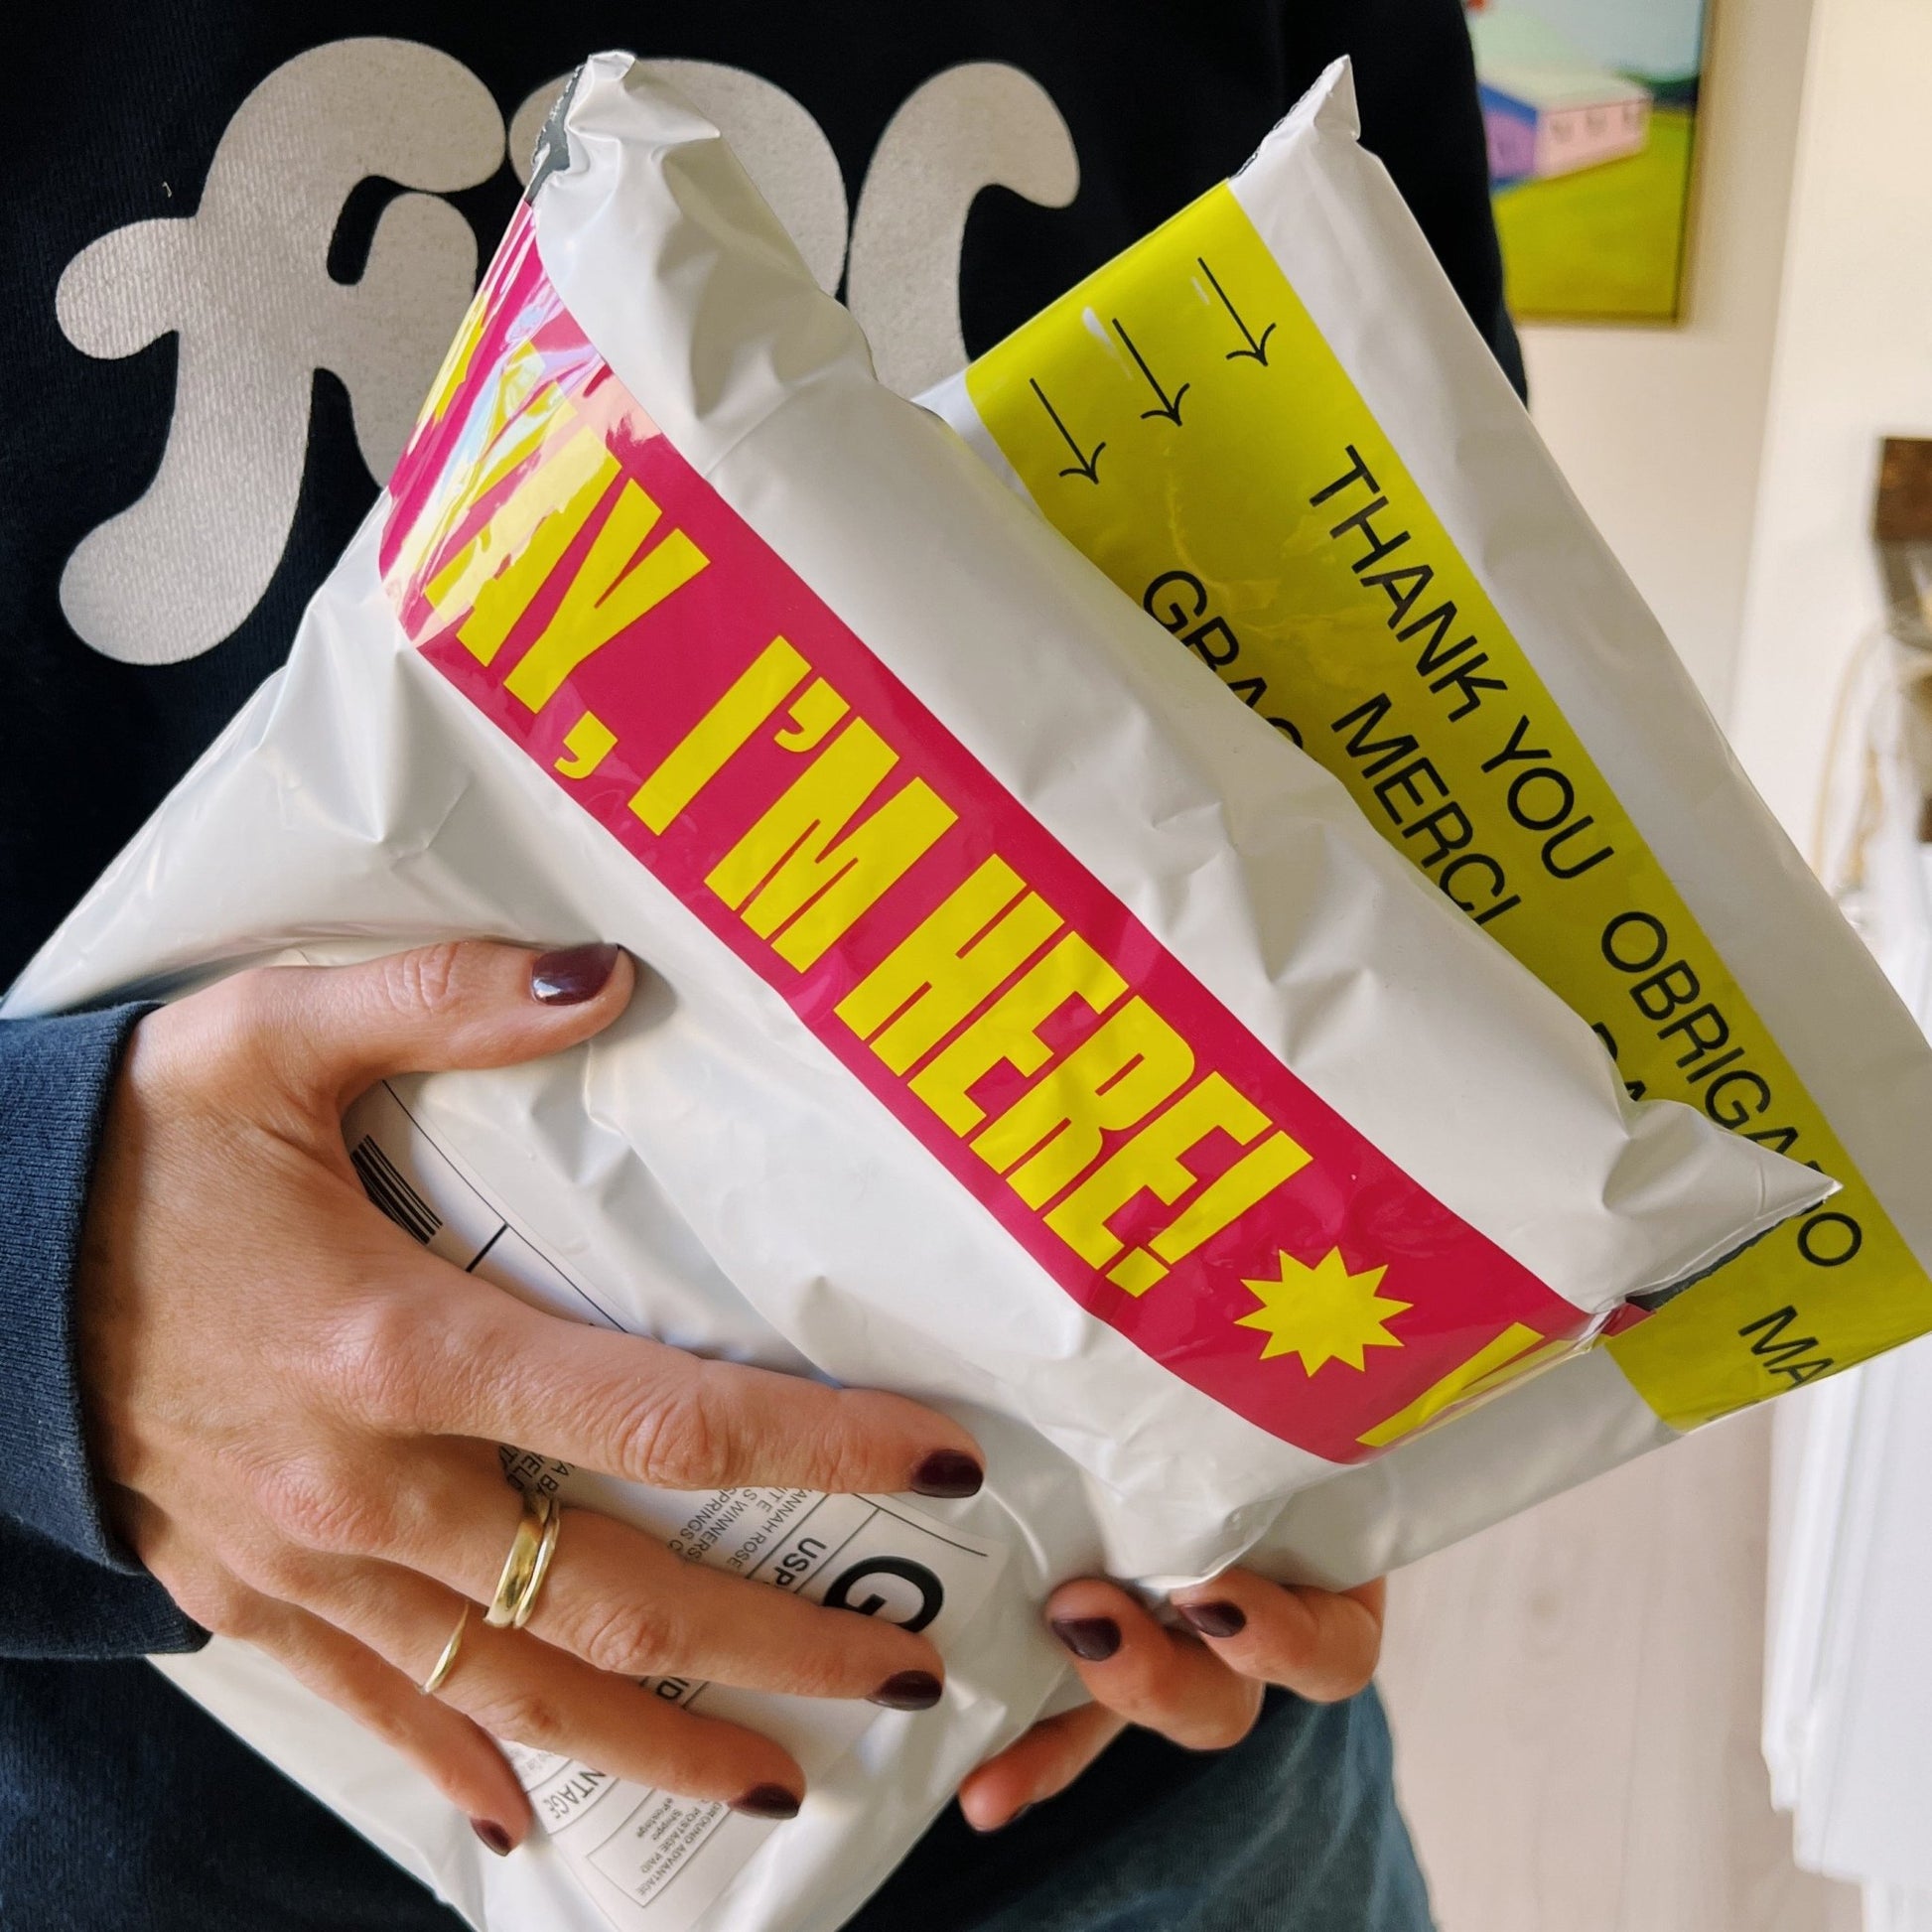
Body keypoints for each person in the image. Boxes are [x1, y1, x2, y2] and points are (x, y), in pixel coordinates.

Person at [0, 4, 1519, 1926]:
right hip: (127, 1788)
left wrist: (1344, 1431)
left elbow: (1413, 704)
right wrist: (35, 1280)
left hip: (1108, 1769)